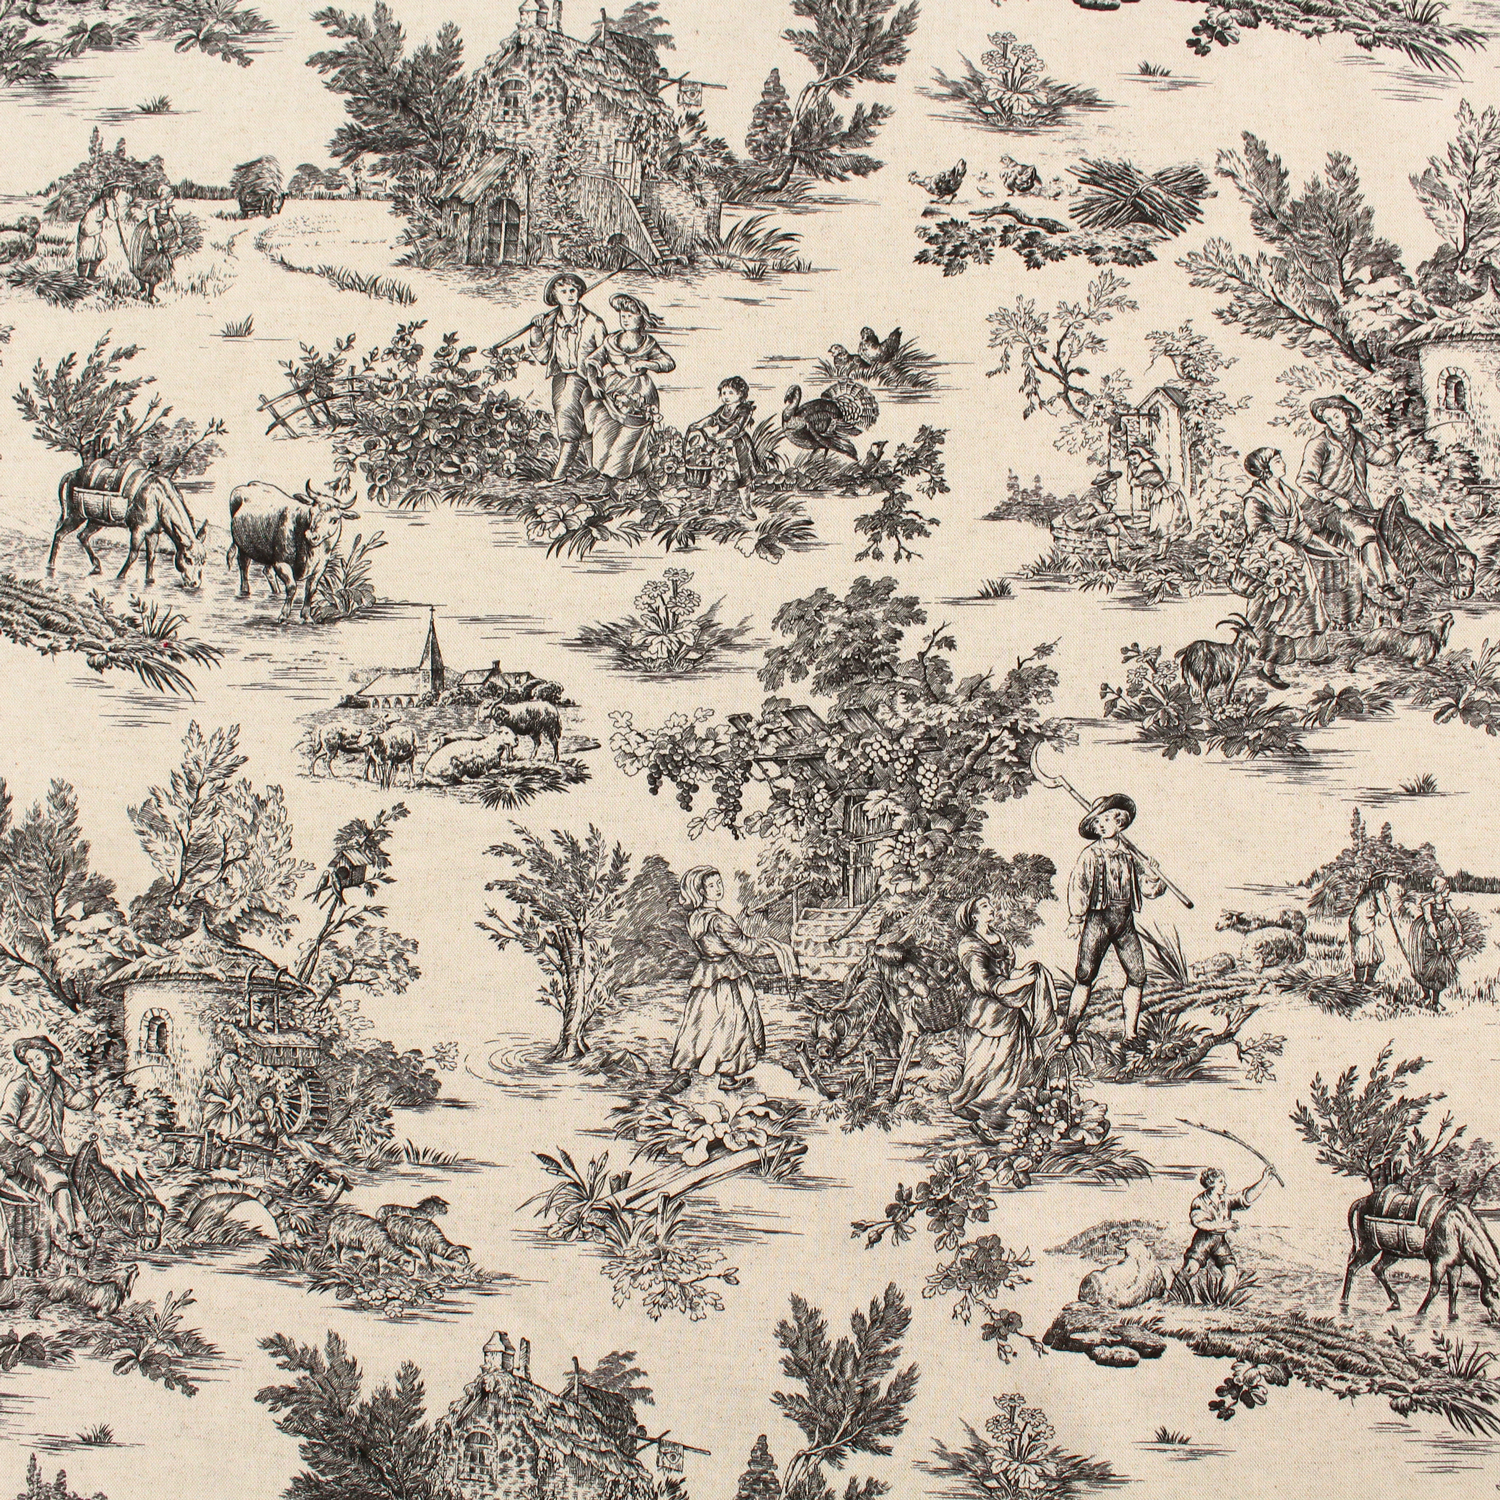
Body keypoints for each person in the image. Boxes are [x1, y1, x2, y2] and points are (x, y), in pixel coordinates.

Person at [670, 866, 793, 1092]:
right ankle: (727, 1078)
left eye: (719, 883)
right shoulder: (721, 920)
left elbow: (721, 943)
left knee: (697, 1022)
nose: (718, 888)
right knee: (734, 1024)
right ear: (701, 891)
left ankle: (683, 1072)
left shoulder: (694, 918)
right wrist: (775, 946)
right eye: (711, 885)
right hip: (728, 976)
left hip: (705, 975)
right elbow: (745, 947)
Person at [1063, 793, 1166, 1044]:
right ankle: (1069, 1032)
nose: (1101, 826)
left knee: (1137, 975)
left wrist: (1153, 875)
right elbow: (1079, 886)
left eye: (1107, 820)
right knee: (1085, 976)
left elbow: (1149, 890)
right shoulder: (1090, 854)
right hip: (1097, 921)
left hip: (1124, 922)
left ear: (1120, 821)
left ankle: (1130, 1034)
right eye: (1097, 822)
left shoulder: (1132, 855)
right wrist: (1076, 919)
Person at [948, 895, 1060, 1120]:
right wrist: (1022, 982)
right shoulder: (970, 945)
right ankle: (967, 1105)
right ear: (974, 916)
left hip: (1010, 1012)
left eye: (990, 903)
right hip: (987, 1016)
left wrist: (1027, 974)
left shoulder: (998, 937)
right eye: (984, 906)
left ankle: (1014, 1111)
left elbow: (1007, 973)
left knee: (1020, 1066)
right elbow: (985, 983)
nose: (991, 908)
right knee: (984, 1070)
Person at [1235, 447, 1341, 682]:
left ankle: (1314, 652)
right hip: (1271, 560)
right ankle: (1268, 667)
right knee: (1277, 611)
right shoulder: (1255, 498)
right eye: (1277, 461)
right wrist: (1283, 548)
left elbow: (1301, 530)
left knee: (1309, 599)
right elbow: (1258, 532)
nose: (1283, 464)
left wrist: (1328, 548)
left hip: (1294, 556)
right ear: (1265, 468)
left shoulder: (1289, 493)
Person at [1297, 395, 1402, 607]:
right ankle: (1383, 586)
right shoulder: (1318, 444)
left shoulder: (1358, 439)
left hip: (1358, 505)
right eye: (1328, 419)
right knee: (1365, 533)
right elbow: (1304, 480)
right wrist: (1334, 498)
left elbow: (1378, 457)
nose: (1333, 422)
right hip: (1325, 508)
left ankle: (1396, 578)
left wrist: (1395, 447)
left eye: (1336, 416)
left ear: (1347, 414)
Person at [0, 1036, 96, 1253]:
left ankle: (86, 1228)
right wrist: (29, 1142)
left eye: (38, 1058)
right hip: (21, 1152)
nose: (35, 1064)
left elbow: (76, 1101)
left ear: (49, 1056)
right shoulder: (19, 1086)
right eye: (30, 1060)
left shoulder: (58, 1082)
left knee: (80, 1178)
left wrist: (92, 1092)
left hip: (53, 1151)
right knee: (57, 1179)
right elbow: (3, 1122)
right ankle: (72, 1233)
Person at [526, 272, 608, 483]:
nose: (570, 294)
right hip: (562, 378)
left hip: (585, 379)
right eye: (563, 291)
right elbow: (543, 357)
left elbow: (605, 354)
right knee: (577, 428)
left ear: (579, 292)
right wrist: (536, 331)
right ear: (555, 296)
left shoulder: (594, 322)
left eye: (573, 290)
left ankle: (560, 476)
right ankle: (590, 469)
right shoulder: (551, 322)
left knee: (574, 428)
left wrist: (594, 376)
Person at [585, 293, 676, 482]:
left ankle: (618, 477)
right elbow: (592, 361)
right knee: (604, 430)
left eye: (631, 315)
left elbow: (668, 363)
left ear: (641, 318)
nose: (625, 319)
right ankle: (603, 470)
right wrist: (593, 384)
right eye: (623, 315)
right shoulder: (611, 341)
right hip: (612, 390)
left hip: (640, 392)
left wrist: (646, 363)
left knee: (631, 437)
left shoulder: (648, 344)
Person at [1176, 1165, 1273, 1299]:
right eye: (1221, 1181)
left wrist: (1264, 1180)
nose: (1225, 1184)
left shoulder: (1225, 1200)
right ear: (1211, 1183)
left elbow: (1245, 1197)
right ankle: (1171, 1296)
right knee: (1190, 1268)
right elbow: (1198, 1222)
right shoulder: (1199, 1202)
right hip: (1203, 1241)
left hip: (1219, 1242)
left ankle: (1224, 1302)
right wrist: (1223, 1225)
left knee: (1230, 1271)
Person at [686, 377, 762, 494]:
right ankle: (712, 502)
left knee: (742, 479)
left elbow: (736, 427)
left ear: (740, 394)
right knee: (717, 476)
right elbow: (713, 419)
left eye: (731, 393)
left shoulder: (744, 409)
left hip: (738, 445)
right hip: (722, 444)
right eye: (723, 393)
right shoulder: (723, 409)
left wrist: (721, 435)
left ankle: (746, 503)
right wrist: (699, 424)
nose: (726, 396)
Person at [1404, 876, 1460, 1008]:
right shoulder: (1428, 903)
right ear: (1440, 889)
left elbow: (1453, 917)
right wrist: (1437, 941)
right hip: (1427, 938)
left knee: (1440, 969)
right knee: (1426, 967)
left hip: (1441, 935)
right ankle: (1426, 996)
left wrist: (1459, 934)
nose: (1449, 890)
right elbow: (1429, 923)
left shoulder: (1445, 903)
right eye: (1446, 887)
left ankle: (1435, 1002)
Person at [1128, 445, 1190, 557]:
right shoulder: (1145, 466)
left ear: (1141, 456)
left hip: (1166, 497)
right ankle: (1161, 552)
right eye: (1130, 460)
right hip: (1160, 496)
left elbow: (1134, 482)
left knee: (1166, 524)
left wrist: (1130, 470)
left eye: (1135, 458)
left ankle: (1163, 553)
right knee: (1162, 524)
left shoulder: (1146, 466)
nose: (1133, 462)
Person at [1348, 872, 1404, 986]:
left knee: (1377, 956)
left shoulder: (1370, 892)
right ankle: (1359, 984)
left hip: (1365, 926)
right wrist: (1387, 902)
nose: (1388, 882)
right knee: (1362, 957)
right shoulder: (1378, 893)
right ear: (1381, 881)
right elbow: (1385, 912)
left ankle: (1369, 980)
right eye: (1386, 879)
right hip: (1362, 927)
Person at [130, 182, 179, 303]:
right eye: (170, 196)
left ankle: (150, 293)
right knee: (146, 263)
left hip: (163, 237)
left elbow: (175, 221)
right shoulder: (154, 208)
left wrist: (179, 234)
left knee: (157, 267)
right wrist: (157, 240)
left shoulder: (169, 209)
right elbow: (152, 225)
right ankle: (142, 289)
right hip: (149, 239)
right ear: (165, 197)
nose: (172, 198)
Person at [1064, 472, 1126, 565]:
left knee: (1112, 529)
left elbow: (1096, 512)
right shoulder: (1093, 494)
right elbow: (1104, 511)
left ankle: (1115, 560)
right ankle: (1131, 542)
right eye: (1113, 483)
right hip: (1077, 522)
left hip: (1085, 519)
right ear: (1106, 484)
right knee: (1112, 516)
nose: (1115, 486)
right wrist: (1111, 500)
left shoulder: (1099, 493)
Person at [76, 194, 109, 280]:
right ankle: (81, 278)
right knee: (85, 255)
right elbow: (113, 215)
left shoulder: (104, 201)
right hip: (88, 229)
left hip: (95, 230)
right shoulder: (106, 201)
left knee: (100, 253)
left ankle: (91, 275)